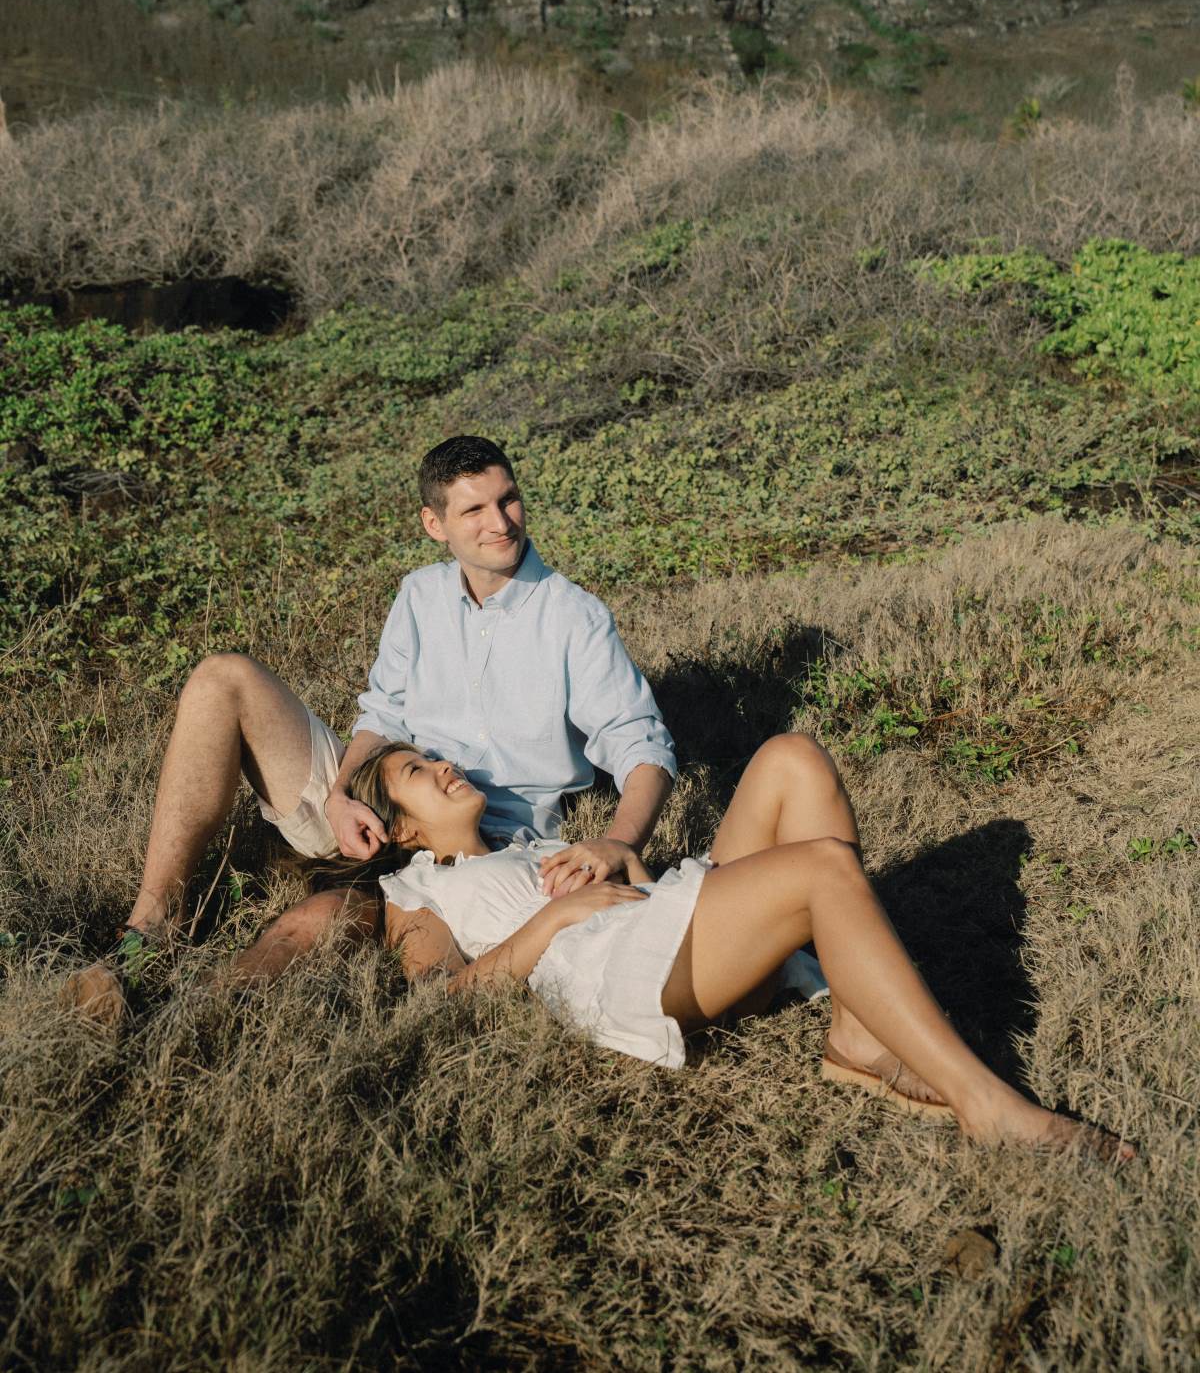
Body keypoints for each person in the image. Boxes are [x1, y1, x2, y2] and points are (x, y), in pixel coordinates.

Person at [228, 733, 1133, 1160]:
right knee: (822, 871)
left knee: (791, 759)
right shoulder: (416, 893)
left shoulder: (529, 845)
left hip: (660, 922)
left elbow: (631, 883)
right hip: (618, 974)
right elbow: (445, 1001)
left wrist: (610, 856)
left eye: (433, 756)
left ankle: (860, 1038)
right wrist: (549, 923)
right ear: (407, 835)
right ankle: (989, 1106)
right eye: (420, 775)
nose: (444, 767)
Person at [63, 435, 677, 1027]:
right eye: (475, 510)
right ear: (435, 524)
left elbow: (640, 743)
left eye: (508, 499)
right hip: (383, 791)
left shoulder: (575, 618)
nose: (502, 523)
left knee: (314, 922)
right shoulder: (419, 596)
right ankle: (151, 927)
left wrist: (620, 841)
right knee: (221, 676)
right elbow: (382, 715)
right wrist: (340, 793)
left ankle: (178, 1020)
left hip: (480, 845)